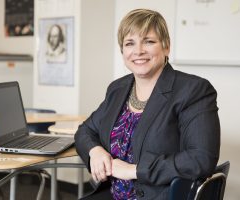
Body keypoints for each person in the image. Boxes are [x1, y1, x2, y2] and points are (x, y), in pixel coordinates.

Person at [75, 8, 220, 200]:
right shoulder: (118, 89)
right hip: (112, 194)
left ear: (166, 46)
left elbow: (201, 159)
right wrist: (96, 151)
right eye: (130, 43)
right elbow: (84, 131)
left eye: (149, 41)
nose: (138, 51)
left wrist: (134, 171)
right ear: (123, 51)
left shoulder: (193, 90)